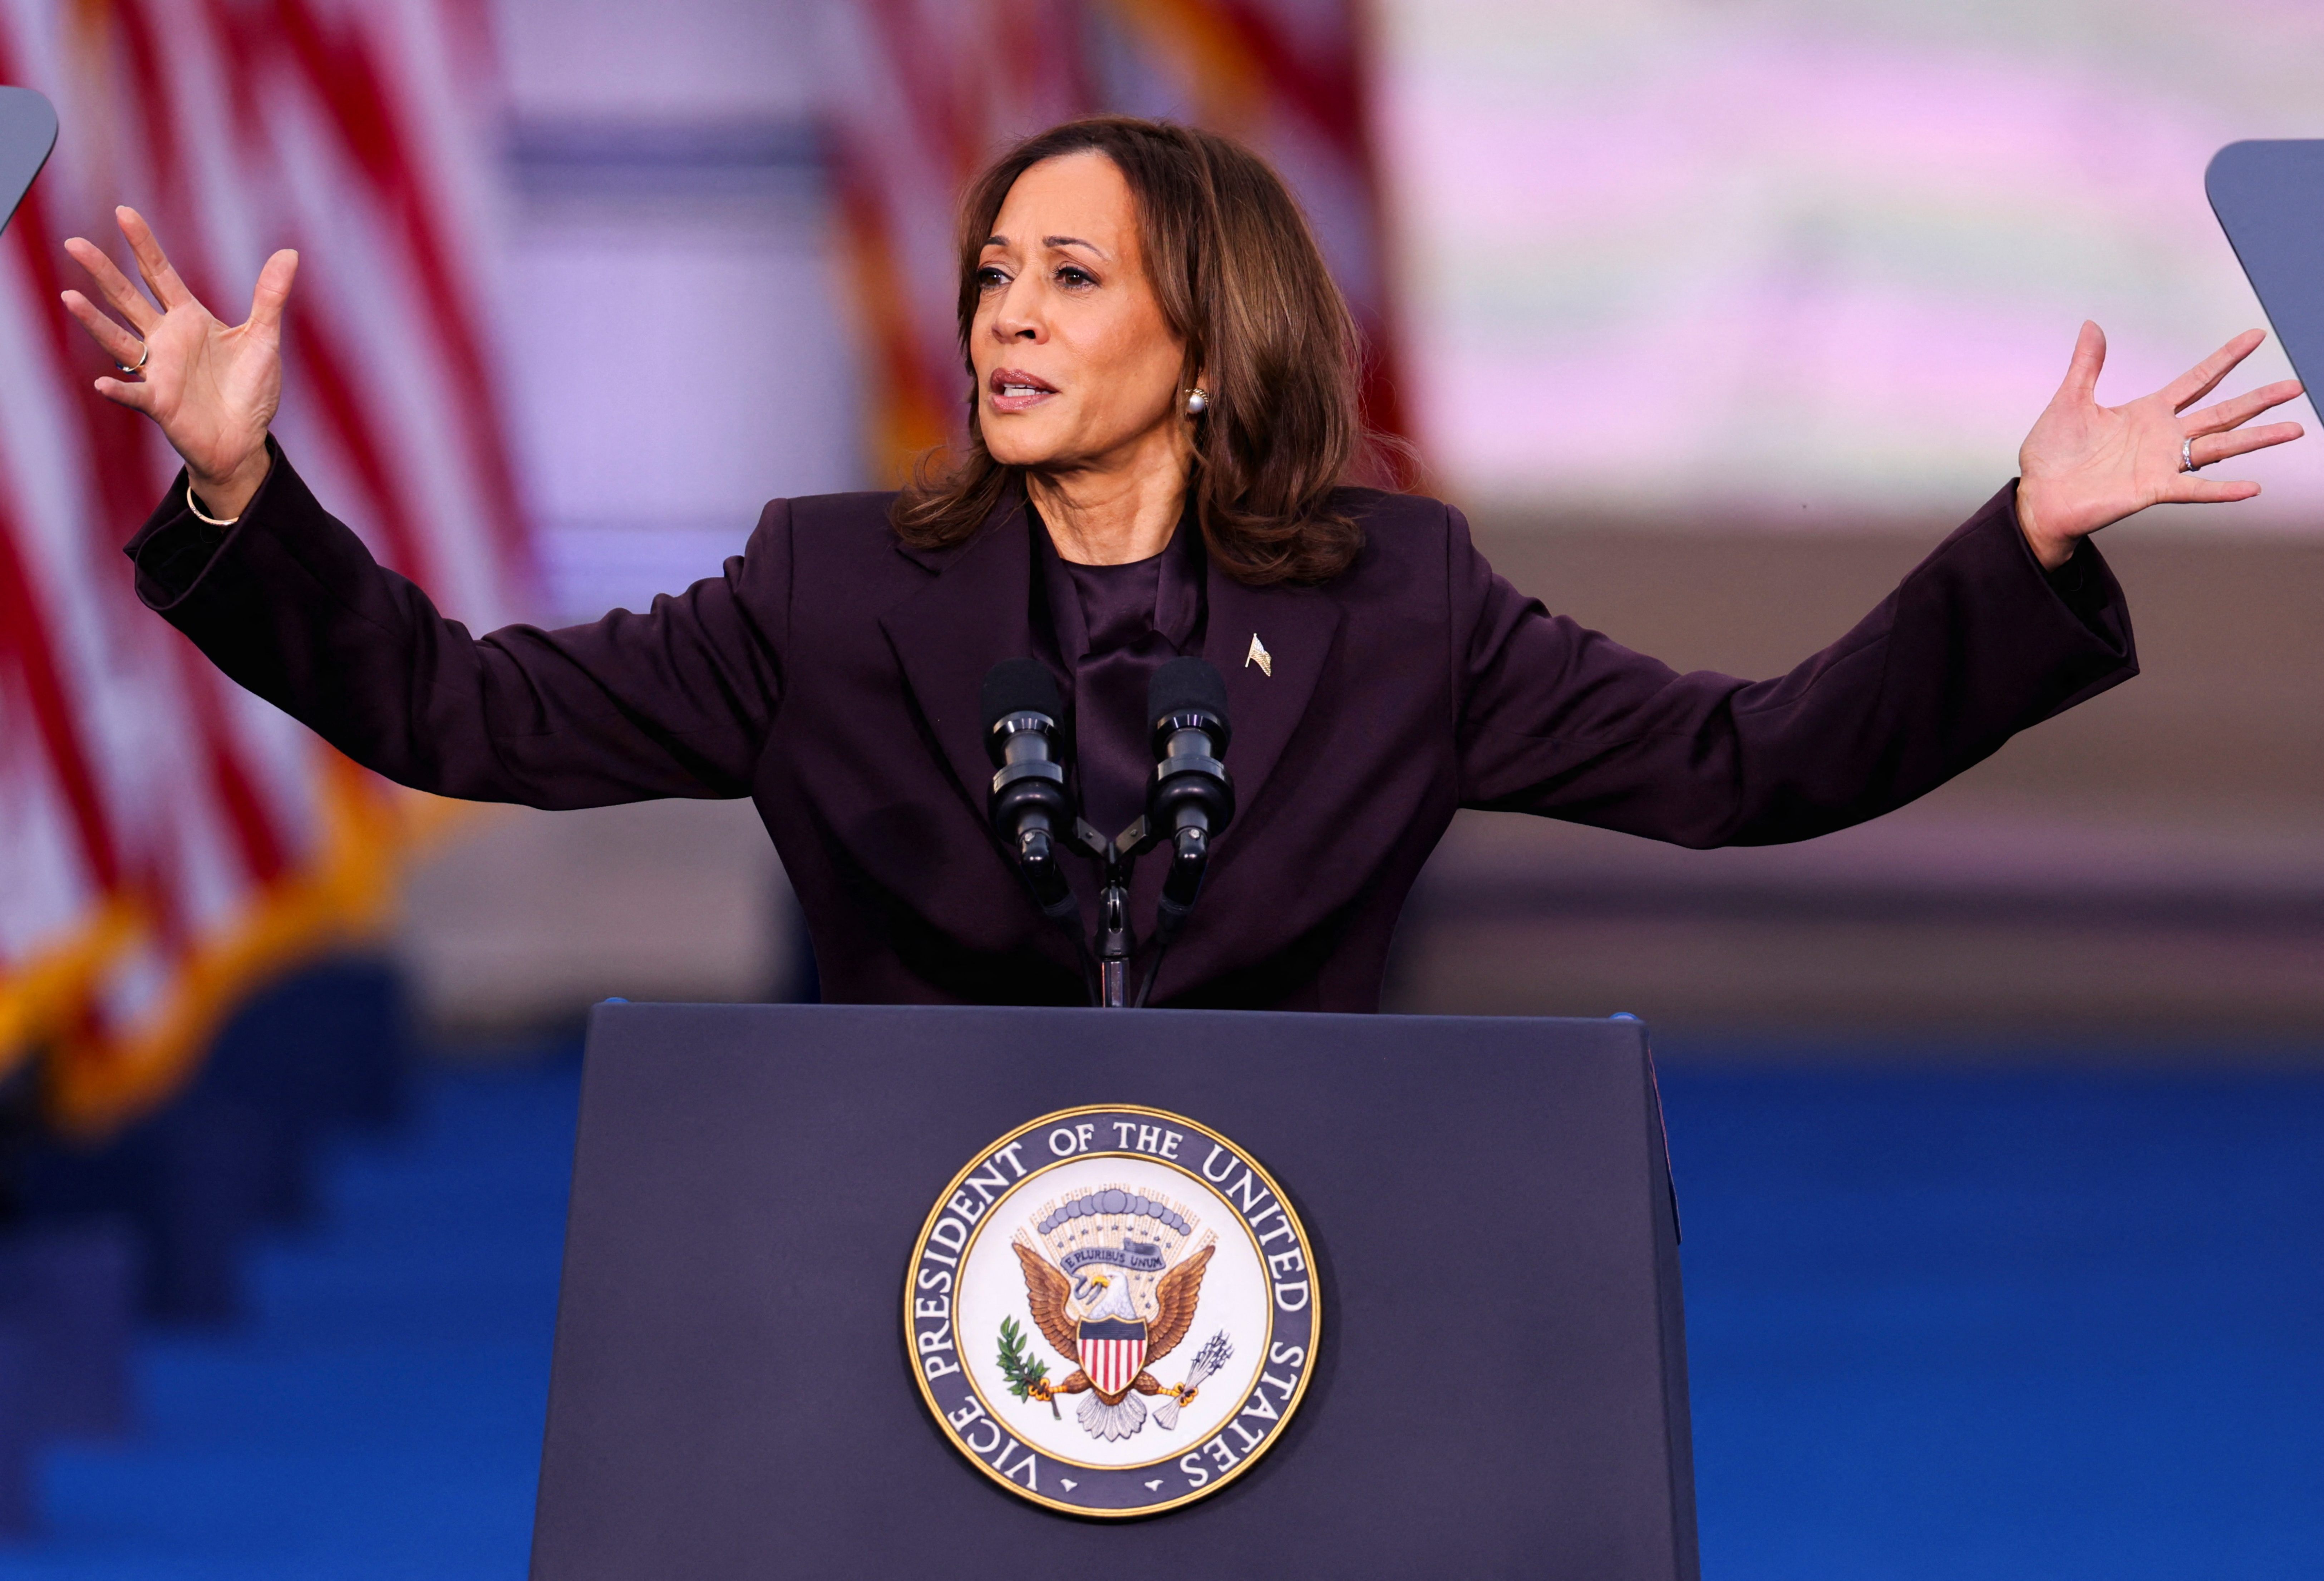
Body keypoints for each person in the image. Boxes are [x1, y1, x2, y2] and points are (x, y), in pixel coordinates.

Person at [61, 117, 2304, 1011]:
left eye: (1069, 278)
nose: (1005, 319)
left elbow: (1755, 766)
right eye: (990, 275)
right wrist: (246, 492)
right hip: (887, 1280)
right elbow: (462, 715)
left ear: (1208, 340)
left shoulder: (1402, 606)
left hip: (1305, 1293)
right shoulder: (824, 592)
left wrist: (2020, 538)